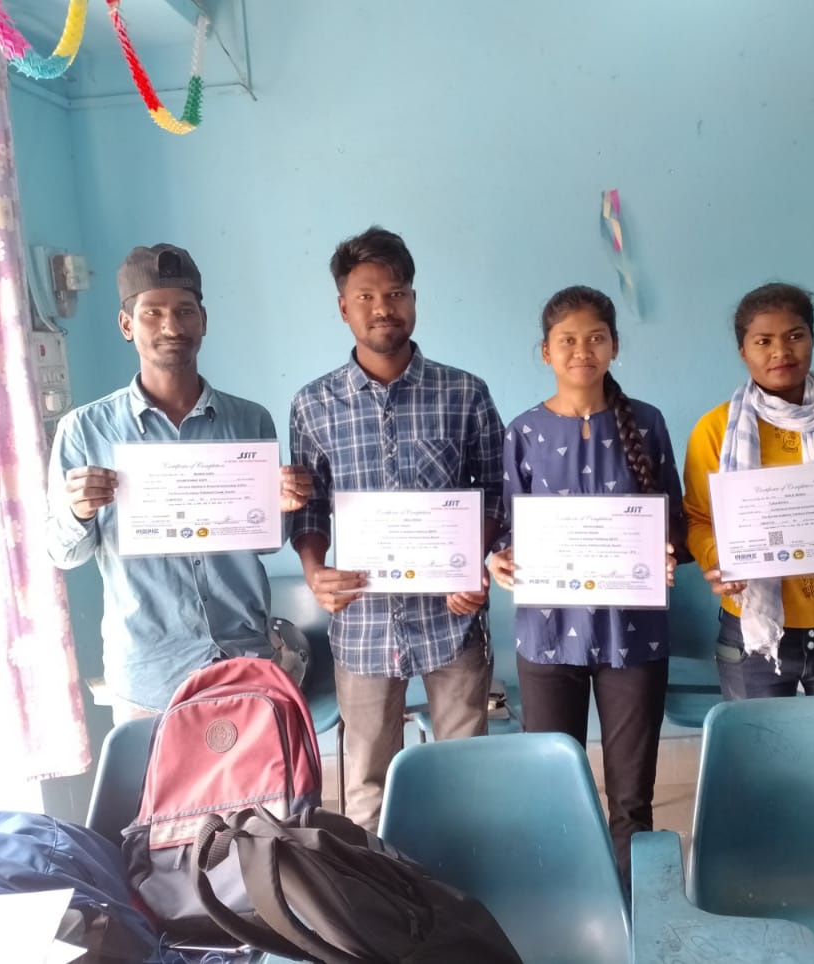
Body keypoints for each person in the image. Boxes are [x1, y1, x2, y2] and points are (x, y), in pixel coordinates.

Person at [289, 226, 504, 832]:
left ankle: (464, 881)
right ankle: (377, 890)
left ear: (413, 298)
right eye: (366, 296)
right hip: (363, 623)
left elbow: (495, 492)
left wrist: (473, 565)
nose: (383, 307)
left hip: (452, 619)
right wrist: (315, 572)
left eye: (396, 293)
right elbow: (309, 508)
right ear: (343, 307)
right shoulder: (313, 405)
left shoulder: (464, 393)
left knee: (465, 780)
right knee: (366, 787)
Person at [46, 244, 313, 721]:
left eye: (185, 311)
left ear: (203, 321)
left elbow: (266, 542)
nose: (171, 326)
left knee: (255, 773)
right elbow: (62, 553)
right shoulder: (85, 430)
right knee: (151, 775)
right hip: (149, 674)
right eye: (152, 313)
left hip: (244, 659)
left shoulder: (249, 420)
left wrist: (284, 506)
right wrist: (78, 511)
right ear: (127, 325)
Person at [488, 285, 685, 887]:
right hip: (547, 636)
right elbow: (507, 526)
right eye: (567, 340)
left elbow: (673, 519)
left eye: (596, 338)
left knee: (632, 797)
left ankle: (636, 903)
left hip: (635, 634)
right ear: (545, 351)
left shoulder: (647, 422)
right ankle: (565, 899)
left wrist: (667, 550)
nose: (582, 351)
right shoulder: (523, 431)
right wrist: (498, 559)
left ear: (615, 346)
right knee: (552, 784)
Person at [683, 282, 814, 699]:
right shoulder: (715, 430)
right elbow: (699, 520)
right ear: (743, 351)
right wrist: (721, 560)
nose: (781, 351)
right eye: (763, 341)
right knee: (756, 738)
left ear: (813, 339)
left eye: (795, 336)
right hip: (750, 625)